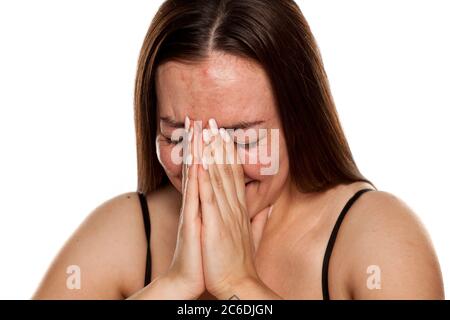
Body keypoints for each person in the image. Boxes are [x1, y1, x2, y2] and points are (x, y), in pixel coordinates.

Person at [33, 0, 444, 299]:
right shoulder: (125, 231)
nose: (208, 162)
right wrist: (175, 286)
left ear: (299, 121)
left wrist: (240, 287)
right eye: (178, 135)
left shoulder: (375, 237)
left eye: (242, 137)